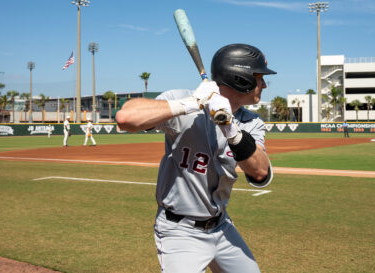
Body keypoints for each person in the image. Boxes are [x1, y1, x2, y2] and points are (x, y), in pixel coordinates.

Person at [116, 43, 276, 273]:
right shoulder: (183, 99)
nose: (264, 84)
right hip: (180, 231)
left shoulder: (251, 123)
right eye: (259, 78)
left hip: (221, 226)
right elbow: (125, 117)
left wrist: (231, 128)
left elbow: (260, 172)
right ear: (241, 78)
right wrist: (190, 104)